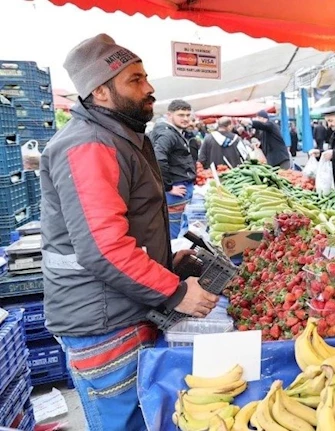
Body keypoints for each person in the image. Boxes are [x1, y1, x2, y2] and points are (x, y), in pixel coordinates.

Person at [39, 34, 218, 431]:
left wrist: (163, 263)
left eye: (146, 77)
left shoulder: (120, 137)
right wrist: (173, 291)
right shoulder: (90, 145)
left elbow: (118, 226)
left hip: (120, 308)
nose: (150, 88)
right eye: (135, 80)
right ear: (100, 92)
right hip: (103, 323)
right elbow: (103, 247)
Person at [149, 99, 196, 239]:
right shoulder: (167, 134)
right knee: (177, 234)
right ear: (169, 115)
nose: (186, 119)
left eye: (188, 115)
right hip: (176, 192)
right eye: (181, 115)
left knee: (177, 228)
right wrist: (168, 187)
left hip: (177, 189)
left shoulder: (171, 132)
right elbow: (158, 157)